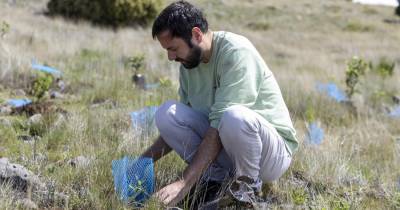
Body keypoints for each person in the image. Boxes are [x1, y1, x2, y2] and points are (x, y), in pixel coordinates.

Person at [141, 0, 298, 207]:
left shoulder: (236, 52)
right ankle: (215, 181)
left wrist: (184, 182)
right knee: (166, 114)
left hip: (270, 155)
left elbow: (219, 126)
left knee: (233, 117)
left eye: (173, 48)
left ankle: (246, 190)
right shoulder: (189, 65)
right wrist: (143, 162)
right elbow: (184, 127)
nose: (170, 57)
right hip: (228, 146)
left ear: (196, 35)